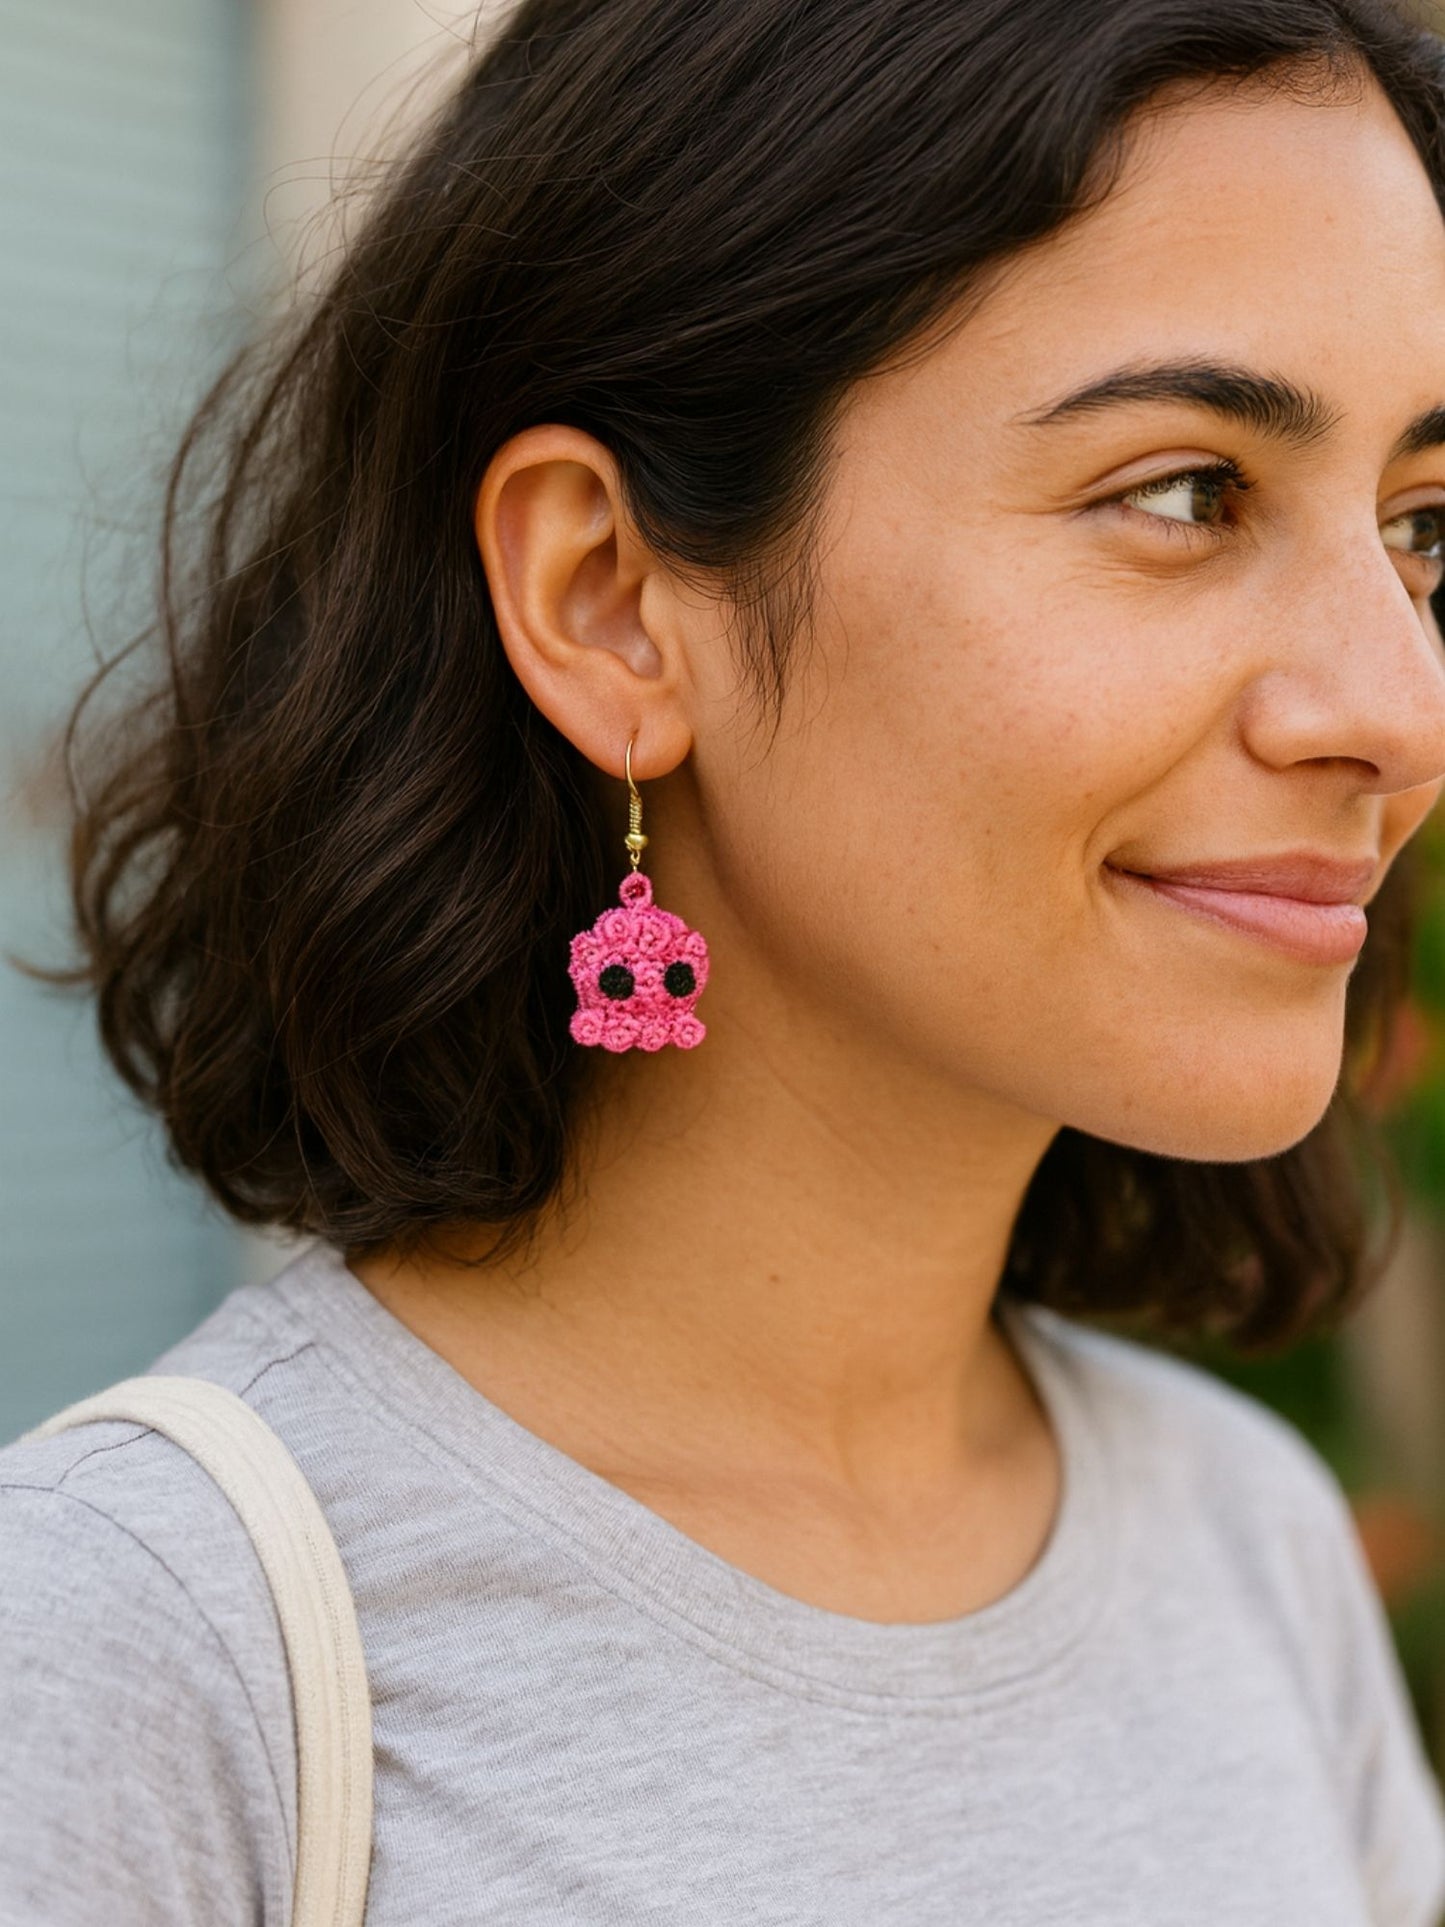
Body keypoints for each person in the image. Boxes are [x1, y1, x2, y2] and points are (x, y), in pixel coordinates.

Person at [4, 0, 1445, 1918]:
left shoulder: (1243, 1545)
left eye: (1421, 525)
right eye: (1182, 494)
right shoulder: (151, 1648)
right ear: (607, 601)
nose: (1397, 702)